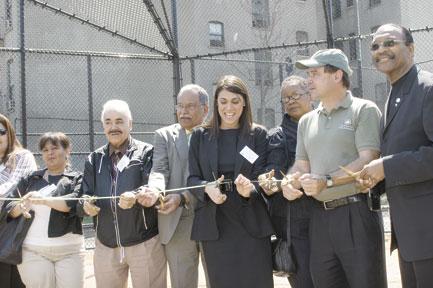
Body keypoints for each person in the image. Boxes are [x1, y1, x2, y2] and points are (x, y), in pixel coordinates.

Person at [281, 49, 387, 288]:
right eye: (308, 74)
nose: (309, 80)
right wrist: (289, 182)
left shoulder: (363, 110)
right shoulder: (307, 121)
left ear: (338, 75)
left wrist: (326, 181)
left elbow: (367, 160)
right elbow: (301, 164)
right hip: (318, 218)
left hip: (356, 213)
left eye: (315, 73)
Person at [359, 23, 433, 288]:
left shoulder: (427, 89)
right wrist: (376, 180)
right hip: (411, 235)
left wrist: (386, 167)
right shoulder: (394, 93)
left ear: (411, 49)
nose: (381, 50)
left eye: (390, 43)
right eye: (375, 46)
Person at [187, 75, 274, 288]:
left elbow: (262, 174)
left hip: (251, 223)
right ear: (215, 103)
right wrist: (207, 189)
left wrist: (250, 191)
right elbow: (192, 179)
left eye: (235, 101)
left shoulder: (258, 135)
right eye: (223, 101)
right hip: (215, 225)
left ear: (244, 102)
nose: (229, 108)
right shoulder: (200, 136)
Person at [77, 99, 166, 288]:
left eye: (119, 121)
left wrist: (136, 196)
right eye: (108, 122)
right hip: (105, 244)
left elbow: (153, 185)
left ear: (130, 124)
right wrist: (86, 204)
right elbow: (85, 193)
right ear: (103, 126)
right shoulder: (94, 159)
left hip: (144, 242)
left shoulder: (147, 152)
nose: (113, 127)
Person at [142, 84, 209, 288]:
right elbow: (159, 170)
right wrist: (155, 191)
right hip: (177, 221)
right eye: (180, 106)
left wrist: (184, 197)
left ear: (205, 109)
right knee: (182, 282)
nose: (183, 111)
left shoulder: (215, 134)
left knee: (219, 279)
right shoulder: (164, 135)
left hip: (212, 216)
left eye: (190, 106)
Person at [1, 132, 84, 288]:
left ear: (67, 150)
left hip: (70, 252)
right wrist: (21, 206)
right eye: (45, 150)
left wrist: (42, 199)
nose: (49, 153)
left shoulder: (77, 178)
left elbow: (71, 204)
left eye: (54, 148)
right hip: (33, 251)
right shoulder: (30, 179)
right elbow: (8, 208)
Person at [258, 75, 314, 288]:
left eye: (295, 95)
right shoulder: (277, 136)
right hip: (294, 224)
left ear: (310, 95)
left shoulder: (324, 127)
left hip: (326, 219)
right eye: (285, 98)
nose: (290, 101)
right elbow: (269, 176)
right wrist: (275, 184)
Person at [0, 113, 37, 288]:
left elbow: (13, 188)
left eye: (1, 131)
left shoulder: (22, 156)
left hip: (10, 232)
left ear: (9, 132)